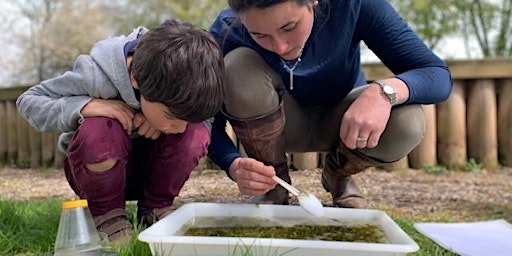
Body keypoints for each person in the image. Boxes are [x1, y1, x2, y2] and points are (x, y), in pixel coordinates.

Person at [207, 0, 452, 208]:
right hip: (278, 126)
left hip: (344, 126)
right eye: (260, 35)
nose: (280, 46)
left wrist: (384, 92)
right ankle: (275, 185)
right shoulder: (227, 28)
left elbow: (437, 74)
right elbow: (204, 120)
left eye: (289, 27)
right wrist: (232, 163)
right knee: (236, 65)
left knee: (408, 118)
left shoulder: (353, 5)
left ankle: (339, 174)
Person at [17, 20, 225, 244]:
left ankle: (155, 208)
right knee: (99, 127)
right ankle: (107, 215)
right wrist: (86, 106)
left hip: (151, 172)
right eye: (172, 117)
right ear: (136, 77)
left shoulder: (193, 82)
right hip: (97, 174)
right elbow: (28, 101)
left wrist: (161, 121)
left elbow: (197, 121)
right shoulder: (95, 74)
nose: (180, 129)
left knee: (197, 133)